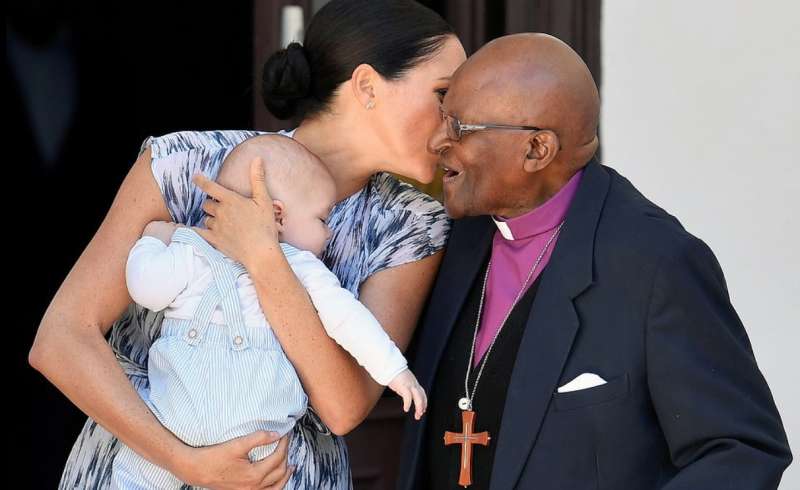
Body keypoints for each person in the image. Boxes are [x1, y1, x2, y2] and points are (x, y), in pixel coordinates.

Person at [29, 1, 466, 488]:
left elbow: (343, 409)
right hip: (139, 471)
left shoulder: (412, 223)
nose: (454, 124)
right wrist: (183, 460)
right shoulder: (185, 163)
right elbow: (61, 339)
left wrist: (264, 256)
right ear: (366, 86)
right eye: (443, 95)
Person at [398, 33, 792, 489]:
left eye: (460, 128)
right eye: (444, 118)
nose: (436, 141)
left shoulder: (656, 263)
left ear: (536, 149)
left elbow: (742, 451)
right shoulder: (451, 240)